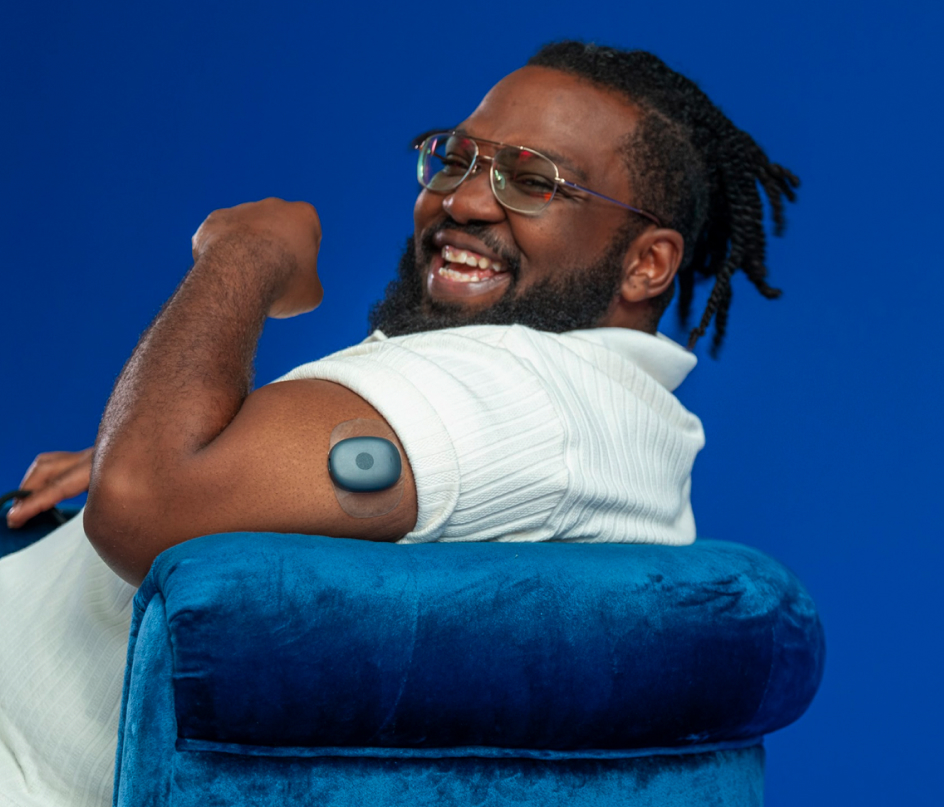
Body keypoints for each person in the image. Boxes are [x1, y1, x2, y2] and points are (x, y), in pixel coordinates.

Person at [0, 41, 797, 807]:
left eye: (533, 181)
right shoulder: (587, 412)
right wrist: (173, 438)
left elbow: (146, 499)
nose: (464, 200)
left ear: (646, 263)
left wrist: (247, 249)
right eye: (456, 157)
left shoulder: (516, 396)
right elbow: (175, 480)